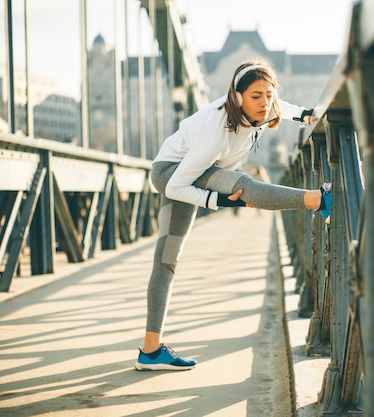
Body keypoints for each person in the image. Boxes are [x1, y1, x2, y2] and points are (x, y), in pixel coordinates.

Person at [135, 59, 331, 371]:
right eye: (256, 96)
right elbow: (175, 186)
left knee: (166, 260)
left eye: (269, 94)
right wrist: (225, 202)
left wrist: (304, 114)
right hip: (172, 172)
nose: (265, 103)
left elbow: (282, 105)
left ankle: (150, 350)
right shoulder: (218, 129)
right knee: (247, 188)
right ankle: (320, 200)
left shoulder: (263, 109)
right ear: (237, 97)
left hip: (196, 171)